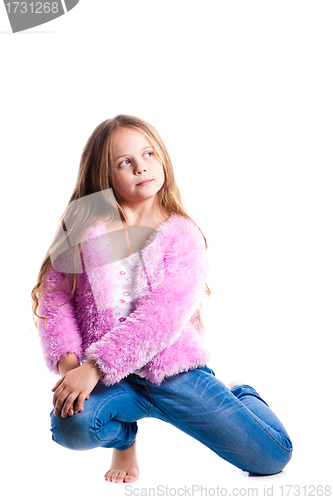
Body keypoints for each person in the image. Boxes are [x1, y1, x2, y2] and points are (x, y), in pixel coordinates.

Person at [31, 114, 293, 484]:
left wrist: (95, 367)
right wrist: (73, 369)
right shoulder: (82, 231)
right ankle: (124, 436)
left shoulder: (182, 235)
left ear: (162, 158)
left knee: (272, 457)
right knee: (71, 427)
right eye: (125, 162)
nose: (141, 167)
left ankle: (240, 395)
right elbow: (55, 299)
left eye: (148, 154)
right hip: (112, 381)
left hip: (174, 373)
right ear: (103, 174)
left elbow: (163, 317)